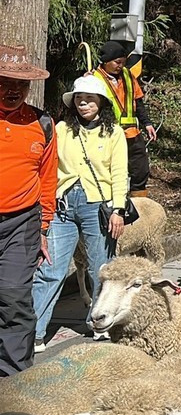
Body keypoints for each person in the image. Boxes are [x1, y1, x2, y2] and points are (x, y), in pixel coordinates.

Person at [32, 76, 128, 352]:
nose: (84, 103)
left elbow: (120, 173)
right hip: (62, 203)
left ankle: (99, 323)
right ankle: (35, 330)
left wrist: (118, 209)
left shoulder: (113, 133)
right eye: (79, 98)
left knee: (102, 267)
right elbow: (48, 165)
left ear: (101, 102)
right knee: (50, 268)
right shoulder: (62, 129)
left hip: (97, 205)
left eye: (89, 98)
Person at [0, 45, 57, 376]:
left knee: (15, 299)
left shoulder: (42, 124)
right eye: (5, 83)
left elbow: (47, 180)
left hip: (22, 223)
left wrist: (44, 229)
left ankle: (13, 384)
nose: (13, 91)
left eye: (21, 85)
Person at [91, 41, 156, 198]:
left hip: (131, 132)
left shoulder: (128, 76)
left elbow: (138, 102)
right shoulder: (94, 79)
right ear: (106, 62)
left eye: (123, 62)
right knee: (111, 168)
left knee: (140, 168)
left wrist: (147, 123)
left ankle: (139, 204)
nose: (120, 66)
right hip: (108, 133)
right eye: (117, 62)